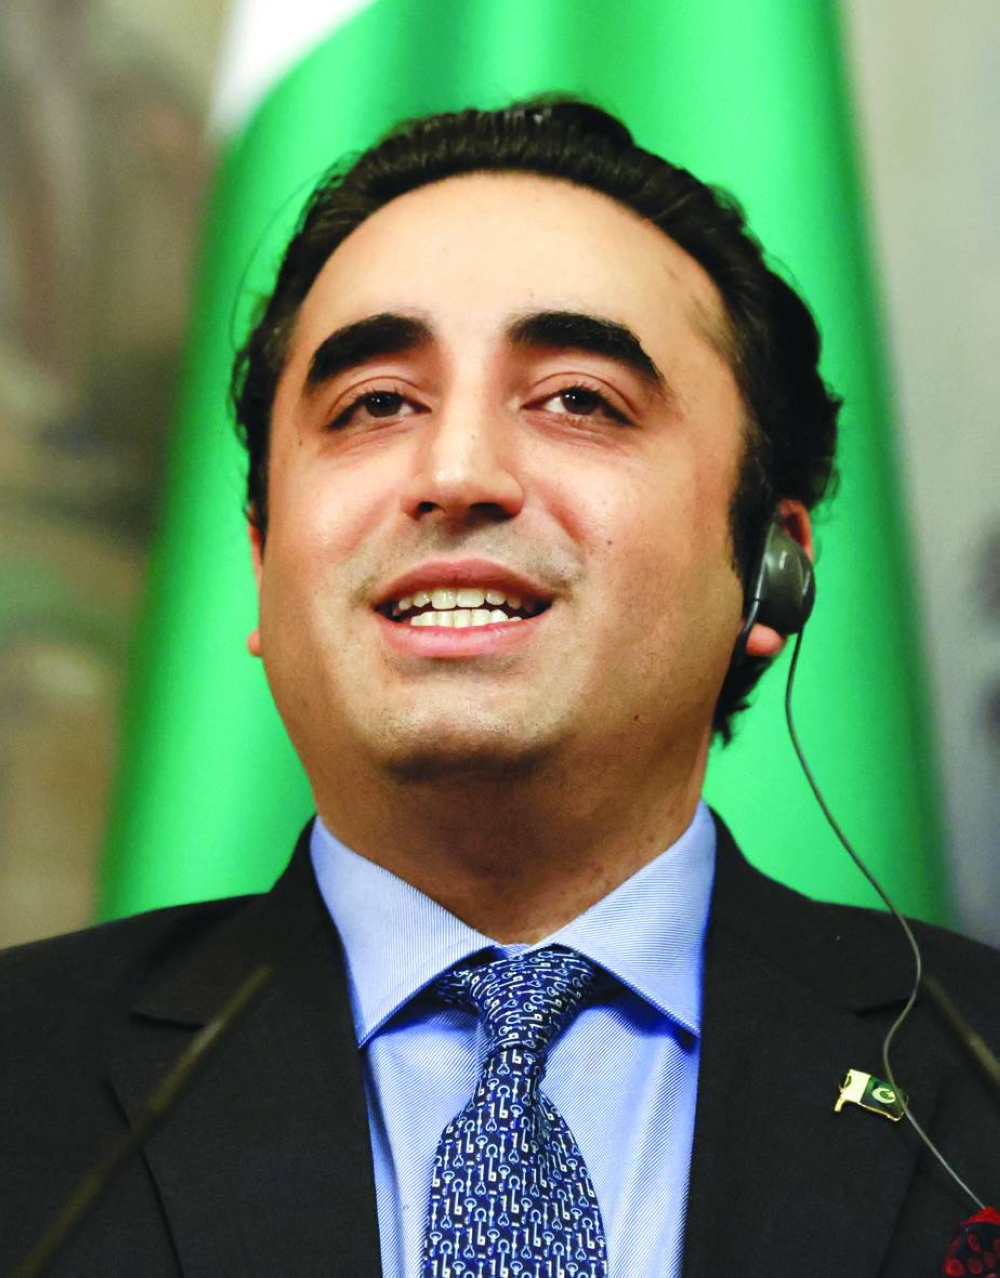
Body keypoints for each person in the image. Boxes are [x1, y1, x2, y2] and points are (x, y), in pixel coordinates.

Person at [2, 99, 998, 1278]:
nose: (457, 471)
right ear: (264, 568)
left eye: (579, 400)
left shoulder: (971, 1071)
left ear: (770, 569)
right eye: (375, 404)